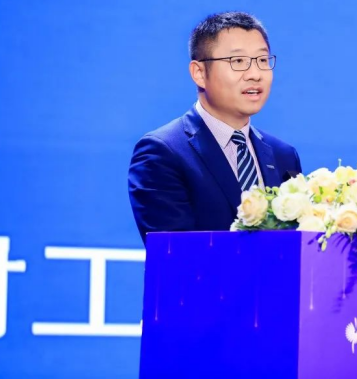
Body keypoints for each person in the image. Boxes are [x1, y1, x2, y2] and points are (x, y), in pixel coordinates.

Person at [128, 12, 302, 244]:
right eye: (237, 61)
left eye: (262, 60)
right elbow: (176, 253)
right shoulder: (162, 153)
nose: (255, 74)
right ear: (199, 73)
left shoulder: (284, 155)